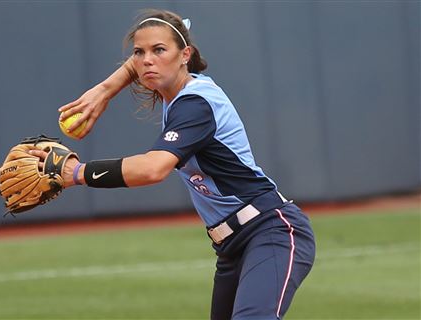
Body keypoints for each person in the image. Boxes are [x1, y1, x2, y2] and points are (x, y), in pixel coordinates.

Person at [31, 9, 316, 320]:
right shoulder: (177, 90)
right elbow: (157, 48)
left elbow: (153, 169)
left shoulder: (196, 104)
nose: (147, 60)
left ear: (186, 55)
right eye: (139, 53)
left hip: (271, 230)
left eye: (159, 51)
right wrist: (106, 89)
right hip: (232, 247)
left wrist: (77, 173)